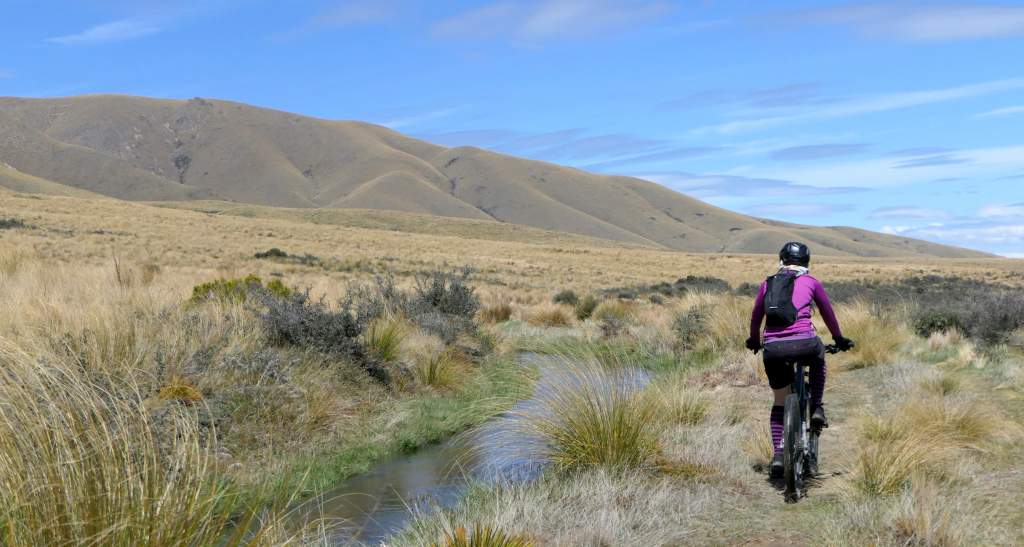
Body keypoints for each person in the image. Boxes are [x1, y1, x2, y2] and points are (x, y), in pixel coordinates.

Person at [745, 242, 854, 479]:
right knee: (818, 356)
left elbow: (756, 316)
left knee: (780, 400)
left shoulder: (768, 283)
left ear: (781, 260)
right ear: (807, 261)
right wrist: (839, 338)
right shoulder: (811, 282)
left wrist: (754, 340)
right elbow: (828, 313)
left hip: (773, 348)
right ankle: (816, 406)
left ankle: (778, 453)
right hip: (805, 343)